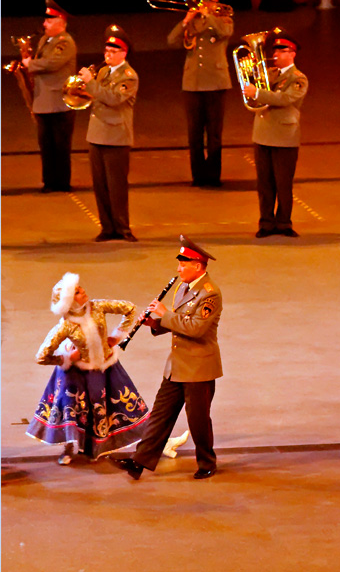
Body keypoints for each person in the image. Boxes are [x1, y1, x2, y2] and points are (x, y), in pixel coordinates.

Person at [115, 236, 223, 480]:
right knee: (161, 415)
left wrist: (164, 314)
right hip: (177, 365)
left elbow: (196, 328)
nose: (178, 268)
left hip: (198, 367)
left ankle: (207, 462)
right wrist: (155, 322)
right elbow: (178, 321)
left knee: (198, 421)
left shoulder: (210, 294)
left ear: (197, 265)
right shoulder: (183, 287)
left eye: (183, 263)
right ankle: (140, 461)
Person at [29, 273, 149, 465]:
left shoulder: (98, 306)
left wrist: (117, 336)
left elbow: (130, 308)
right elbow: (41, 356)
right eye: (76, 292)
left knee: (100, 405)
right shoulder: (66, 326)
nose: (83, 291)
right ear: (69, 301)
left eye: (80, 287)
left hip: (103, 367)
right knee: (73, 408)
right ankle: (69, 446)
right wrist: (66, 357)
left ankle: (97, 447)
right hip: (75, 375)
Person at [167, 0, 233, 188]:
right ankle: (198, 176)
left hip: (216, 82)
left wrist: (208, 15)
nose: (203, 1)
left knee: (214, 134)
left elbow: (225, 33)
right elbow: (171, 41)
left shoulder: (224, 18)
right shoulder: (192, 20)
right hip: (193, 83)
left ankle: (213, 176)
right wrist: (186, 19)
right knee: (194, 134)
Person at [243, 27, 308, 238]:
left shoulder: (299, 79)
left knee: (283, 184)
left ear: (292, 53)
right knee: (264, 184)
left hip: (284, 136)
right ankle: (266, 223)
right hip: (262, 133)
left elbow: (284, 99)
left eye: (281, 51)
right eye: (275, 51)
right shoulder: (268, 74)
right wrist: (251, 68)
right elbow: (253, 92)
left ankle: (284, 223)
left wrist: (259, 92)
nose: (275, 55)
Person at [80, 25, 138, 242]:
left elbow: (113, 98)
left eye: (113, 52)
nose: (108, 55)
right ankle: (106, 227)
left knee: (117, 187)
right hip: (96, 134)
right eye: (106, 51)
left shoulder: (129, 76)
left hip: (116, 137)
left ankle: (122, 228)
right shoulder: (103, 72)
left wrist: (90, 84)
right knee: (100, 186)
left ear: (124, 53)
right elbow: (95, 96)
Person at [22, 0, 77, 193]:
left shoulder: (65, 42)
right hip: (43, 101)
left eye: (49, 21)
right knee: (46, 145)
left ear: (60, 23)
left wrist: (31, 65)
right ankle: (49, 181)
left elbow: (53, 63)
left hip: (59, 103)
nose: (44, 24)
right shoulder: (46, 40)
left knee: (60, 146)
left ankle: (62, 183)